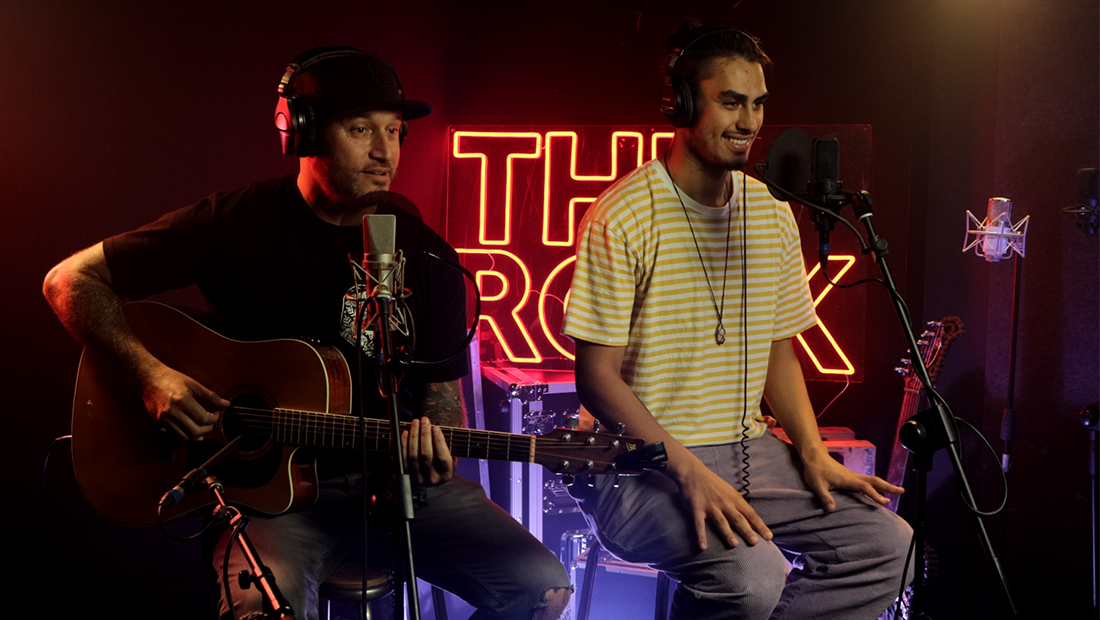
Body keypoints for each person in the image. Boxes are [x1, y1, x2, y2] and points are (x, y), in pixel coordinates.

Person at [43, 46, 571, 620]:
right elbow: (69, 281)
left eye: (394, 130)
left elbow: (443, 405)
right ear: (303, 131)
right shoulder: (236, 224)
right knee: (261, 610)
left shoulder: (426, 258)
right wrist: (151, 376)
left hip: (393, 486)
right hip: (272, 503)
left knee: (542, 588)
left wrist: (436, 451)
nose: (384, 151)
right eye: (361, 129)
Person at [562, 25, 913, 619]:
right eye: (731, 102)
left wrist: (812, 451)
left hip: (751, 451)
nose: (749, 121)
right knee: (752, 576)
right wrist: (689, 470)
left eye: (758, 103)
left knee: (887, 547)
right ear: (682, 104)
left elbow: (778, 350)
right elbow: (596, 378)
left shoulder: (771, 213)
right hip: (638, 463)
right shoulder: (621, 216)